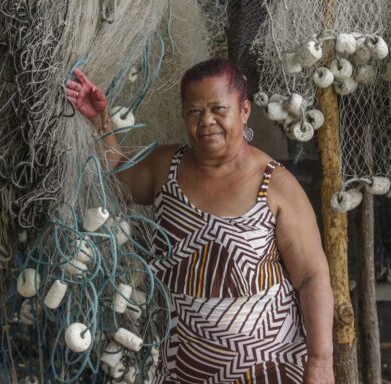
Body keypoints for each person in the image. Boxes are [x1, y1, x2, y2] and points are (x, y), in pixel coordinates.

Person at [66, 59, 334, 384]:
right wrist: (100, 122)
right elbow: (117, 180)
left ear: (244, 111)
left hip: (271, 368)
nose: (207, 120)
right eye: (195, 111)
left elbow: (312, 277)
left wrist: (320, 362)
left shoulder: (276, 185)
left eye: (218, 108)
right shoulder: (166, 167)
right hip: (185, 368)